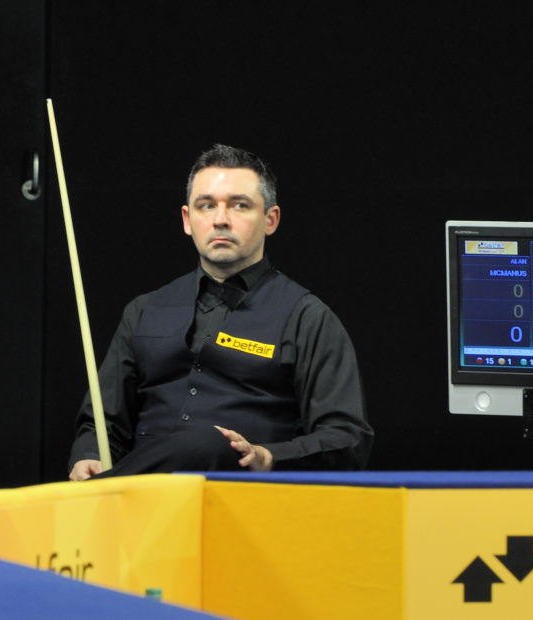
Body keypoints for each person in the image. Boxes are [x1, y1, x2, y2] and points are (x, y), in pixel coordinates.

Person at [68, 145, 373, 480]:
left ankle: (106, 488)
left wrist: (268, 456)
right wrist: (89, 455)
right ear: (187, 219)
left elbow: (346, 438)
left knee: (213, 441)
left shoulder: (308, 318)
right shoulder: (143, 310)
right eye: (206, 205)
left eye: (239, 205)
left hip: (243, 498)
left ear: (270, 220)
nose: (220, 219)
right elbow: (102, 421)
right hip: (149, 508)